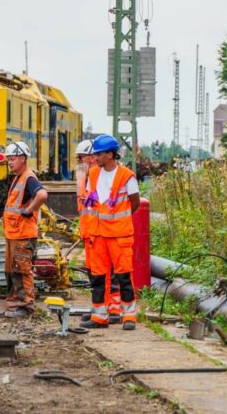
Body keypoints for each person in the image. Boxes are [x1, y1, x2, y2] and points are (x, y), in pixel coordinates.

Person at [80, 134, 140, 331]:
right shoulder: (94, 174)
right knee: (98, 277)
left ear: (110, 154)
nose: (95, 157)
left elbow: (135, 203)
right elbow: (91, 200)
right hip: (97, 235)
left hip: (119, 235)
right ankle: (100, 316)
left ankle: (128, 315)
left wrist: (119, 220)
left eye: (99, 154)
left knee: (123, 276)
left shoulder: (127, 177)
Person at [0, 141, 48, 318]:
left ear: (22, 158)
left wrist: (29, 210)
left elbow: (42, 194)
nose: (9, 162)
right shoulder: (18, 178)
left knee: (22, 271)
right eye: (8, 160)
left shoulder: (29, 178)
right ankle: (13, 306)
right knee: (11, 271)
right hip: (14, 234)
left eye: (12, 159)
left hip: (23, 235)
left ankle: (26, 307)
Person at [76, 140, 122, 325]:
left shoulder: (105, 178)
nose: (79, 162)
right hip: (91, 233)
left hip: (104, 232)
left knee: (109, 273)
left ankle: (114, 309)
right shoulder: (88, 177)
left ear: (92, 157)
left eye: (81, 158)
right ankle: (101, 308)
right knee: (96, 274)